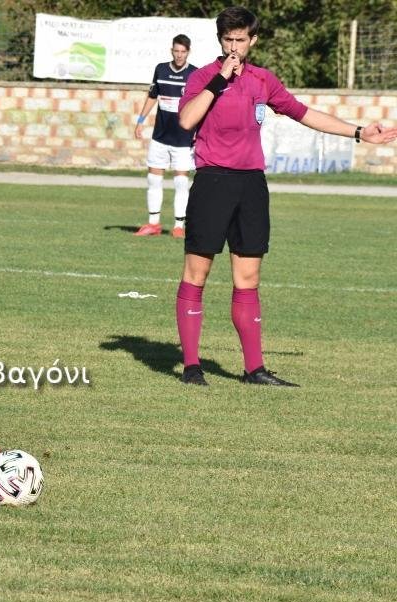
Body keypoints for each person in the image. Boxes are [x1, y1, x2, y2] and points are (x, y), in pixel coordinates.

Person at [174, 6, 397, 387]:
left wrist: (359, 132)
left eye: (240, 40)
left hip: (251, 186)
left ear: (252, 41)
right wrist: (219, 81)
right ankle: (192, 367)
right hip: (212, 181)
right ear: (219, 40)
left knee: (248, 277)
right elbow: (186, 120)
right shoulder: (202, 77)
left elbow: (303, 113)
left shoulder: (263, 80)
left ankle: (254, 369)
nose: (233, 46)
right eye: (227, 40)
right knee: (198, 273)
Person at [133, 34, 197, 238]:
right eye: (176, 51)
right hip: (160, 136)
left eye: (183, 52)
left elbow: (200, 105)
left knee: (180, 181)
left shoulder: (195, 74)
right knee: (153, 178)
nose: (179, 55)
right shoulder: (160, 69)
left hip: (183, 138)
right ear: (172, 50)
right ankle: (153, 223)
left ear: (188, 52)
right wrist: (141, 120)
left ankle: (179, 226)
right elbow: (153, 96)